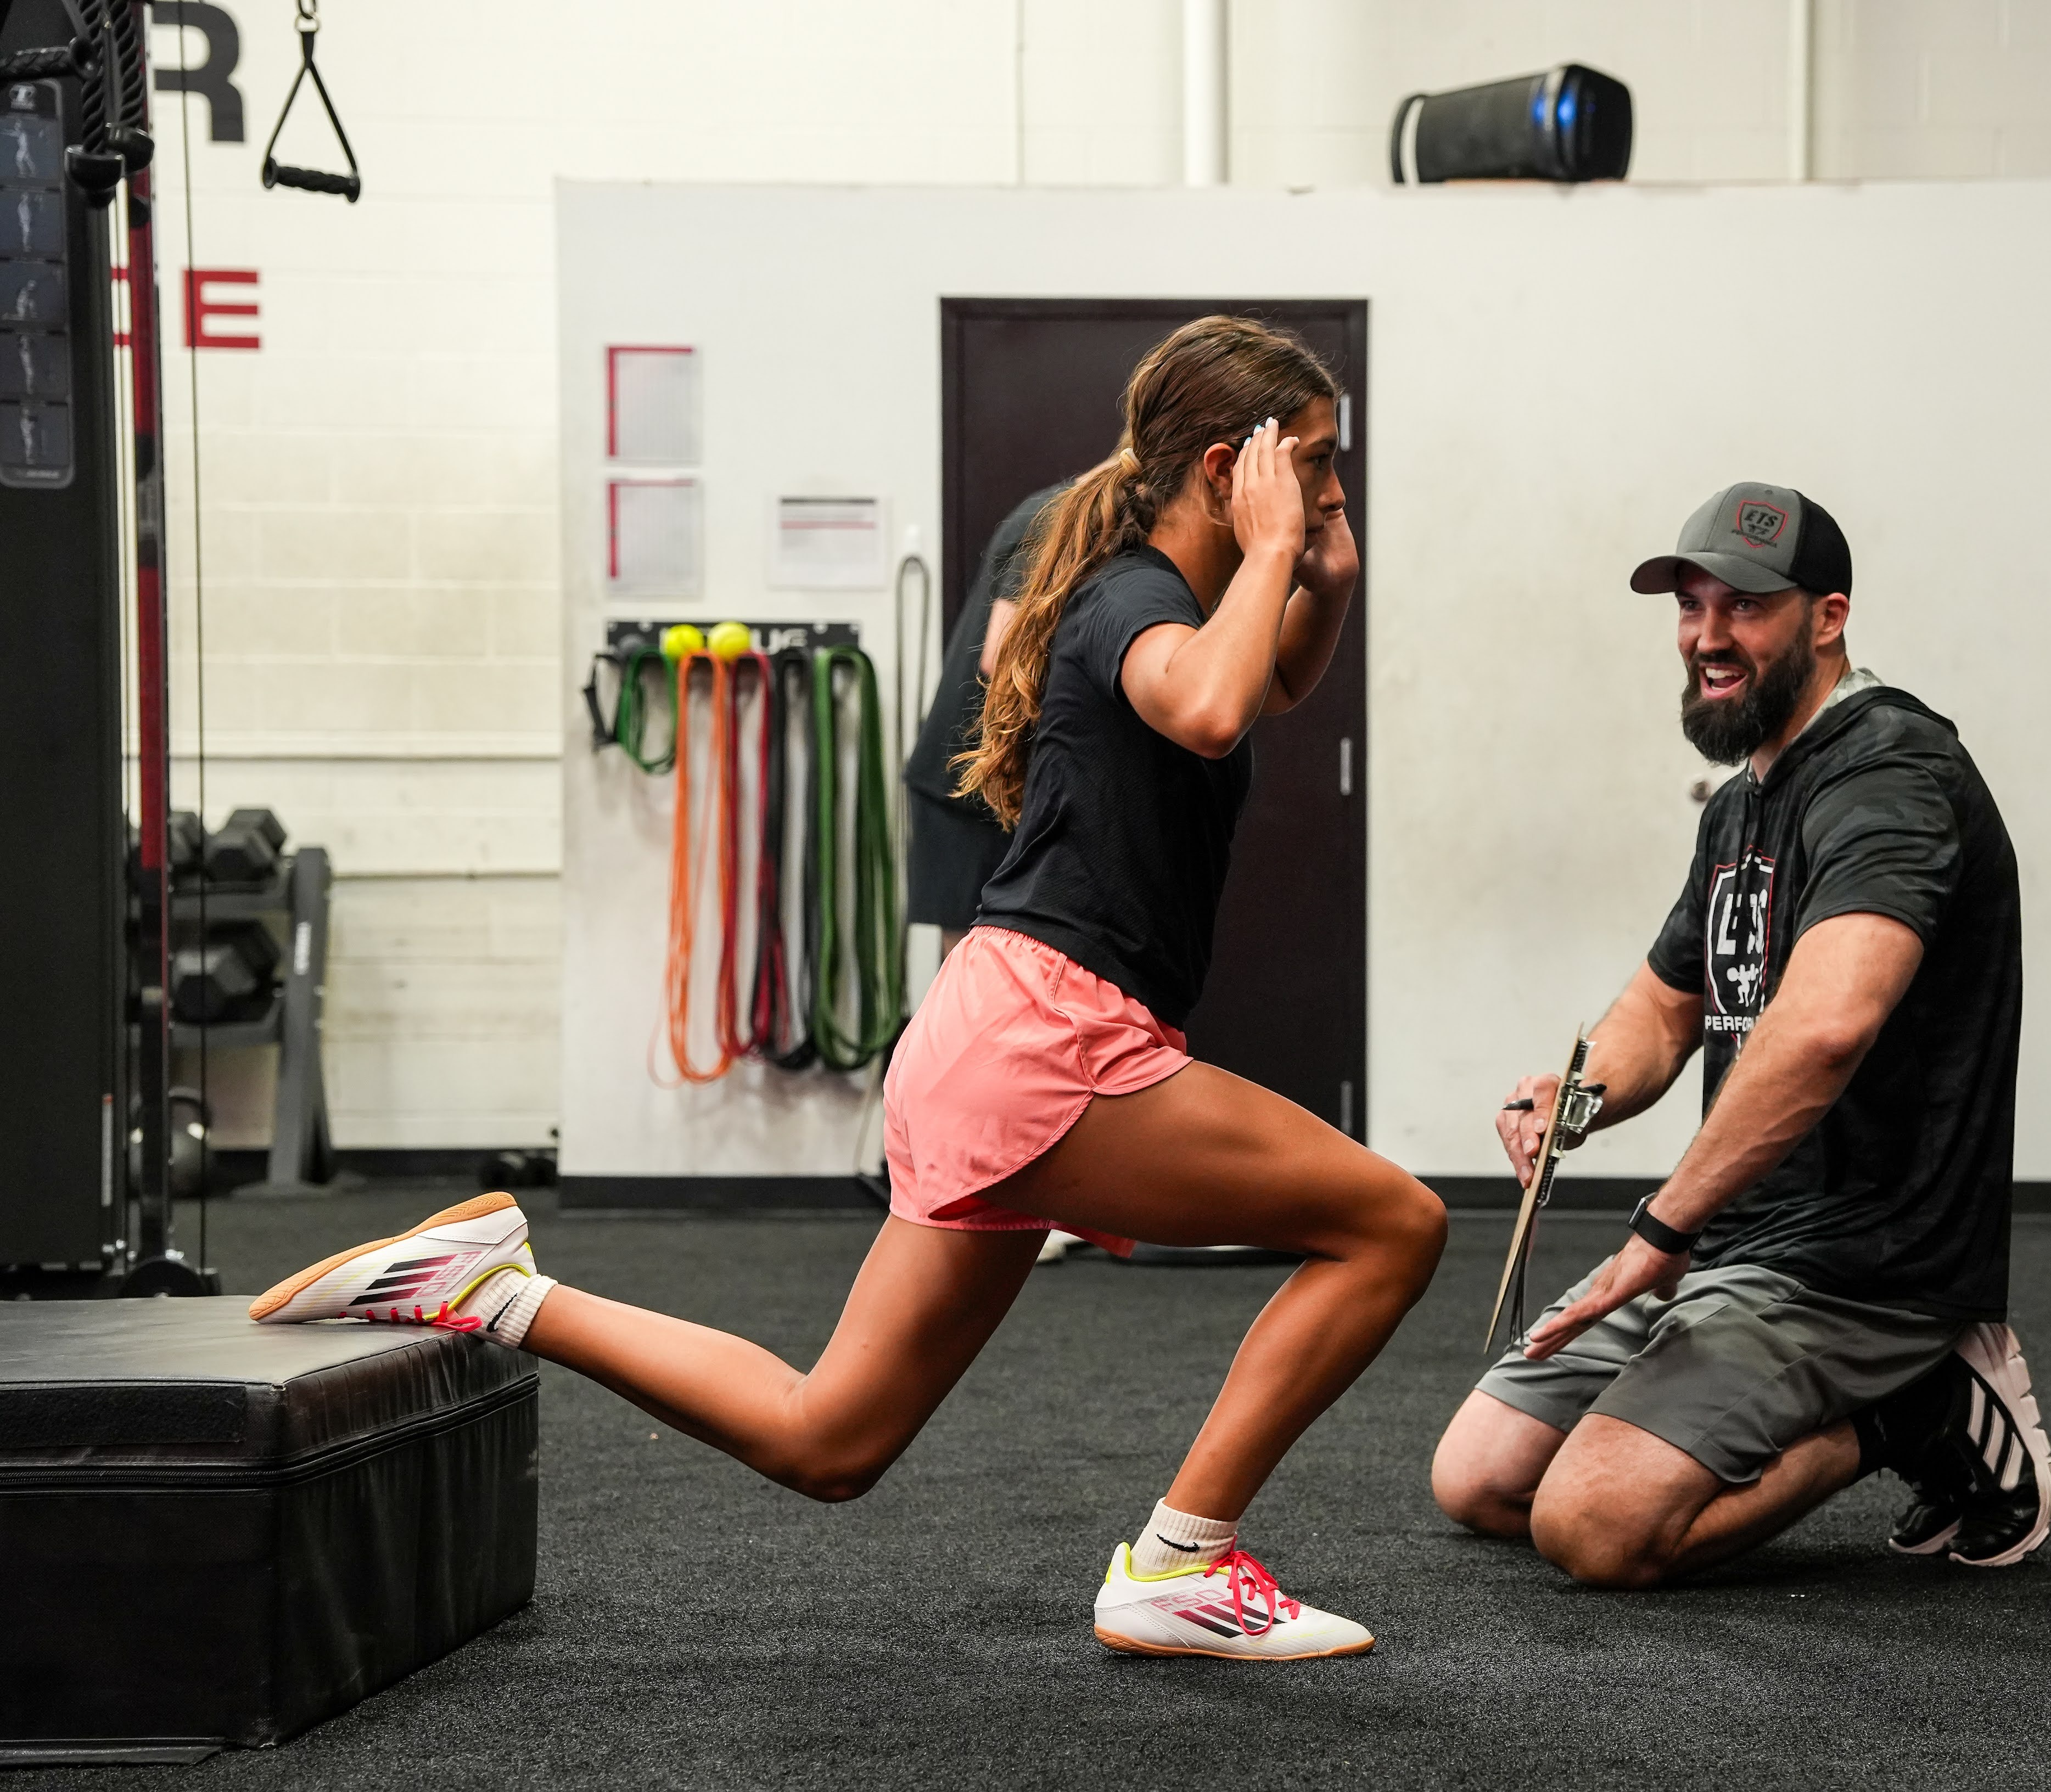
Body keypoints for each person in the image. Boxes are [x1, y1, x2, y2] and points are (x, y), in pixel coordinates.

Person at [249, 316, 1445, 1661]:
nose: (1335, 485)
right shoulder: (1128, 602)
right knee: (1391, 1223)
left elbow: (1270, 672)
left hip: (997, 1038)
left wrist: (1323, 574)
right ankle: (1180, 1561)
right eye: (1317, 463)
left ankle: (497, 1293)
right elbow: (1218, 708)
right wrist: (1284, 545)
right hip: (1057, 1042)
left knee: (830, 1440)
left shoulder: (1172, 603)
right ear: (1229, 468)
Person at [1428, 481, 2051, 1588]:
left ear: (1828, 616)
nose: (1707, 638)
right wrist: (1572, 1098)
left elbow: (1824, 1029)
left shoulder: (1889, 772)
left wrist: (1661, 1231)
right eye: (1690, 605)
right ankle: (1856, 1401)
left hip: (1866, 1263)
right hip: (1738, 1243)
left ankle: (1914, 1410)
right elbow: (1667, 1005)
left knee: (1593, 1529)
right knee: (1478, 1481)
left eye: (1745, 607)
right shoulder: (1739, 802)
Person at [903, 481, 1064, 964]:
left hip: (995, 782)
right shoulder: (1055, 518)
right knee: (972, 982)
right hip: (967, 788)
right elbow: (1003, 655)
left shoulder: (1055, 510)